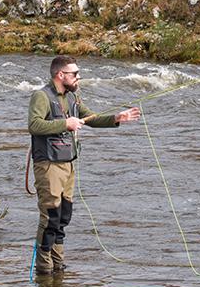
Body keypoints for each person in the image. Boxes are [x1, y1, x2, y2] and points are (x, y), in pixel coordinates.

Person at [28, 55, 140, 275]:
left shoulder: (73, 96)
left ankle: (58, 265)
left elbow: (91, 118)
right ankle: (44, 267)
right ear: (61, 75)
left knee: (63, 216)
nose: (79, 77)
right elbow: (34, 125)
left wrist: (117, 118)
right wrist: (64, 123)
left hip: (68, 164)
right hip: (48, 165)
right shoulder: (41, 96)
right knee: (50, 217)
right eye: (75, 74)